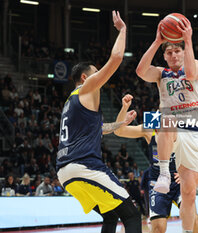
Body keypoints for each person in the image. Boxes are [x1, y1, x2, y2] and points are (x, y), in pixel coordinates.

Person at [56, 11, 141, 233]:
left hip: (65, 174)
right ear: (85, 78)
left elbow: (100, 130)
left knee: (110, 216)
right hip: (84, 166)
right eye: (95, 74)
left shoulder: (71, 103)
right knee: (132, 215)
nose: (99, 77)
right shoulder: (86, 89)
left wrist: (121, 120)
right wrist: (123, 30)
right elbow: (116, 59)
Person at [136, 17, 198, 233]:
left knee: (189, 194)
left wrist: (188, 40)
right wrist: (157, 42)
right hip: (171, 129)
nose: (174, 55)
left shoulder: (196, 66)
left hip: (192, 131)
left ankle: (186, 231)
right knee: (164, 119)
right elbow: (140, 71)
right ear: (164, 56)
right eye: (169, 52)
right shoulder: (160, 73)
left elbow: (191, 74)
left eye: (177, 51)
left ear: (183, 52)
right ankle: (164, 173)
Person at [114, 94, 198, 233]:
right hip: (157, 181)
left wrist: (189, 173)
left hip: (179, 180)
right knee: (158, 227)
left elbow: (196, 154)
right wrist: (124, 108)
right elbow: (119, 131)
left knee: (193, 219)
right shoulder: (151, 127)